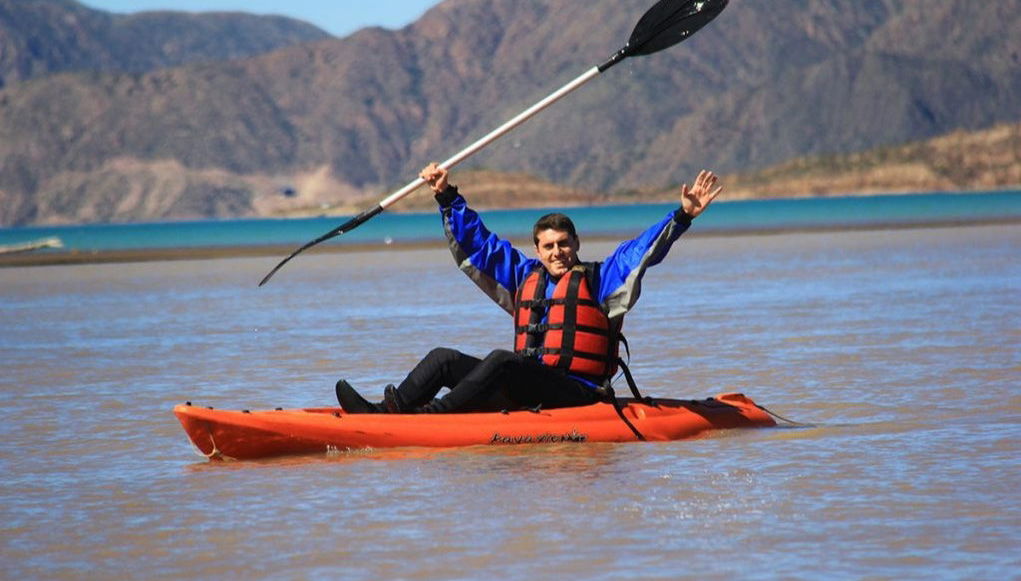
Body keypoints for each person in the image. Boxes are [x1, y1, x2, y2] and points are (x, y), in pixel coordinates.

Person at [335, 163, 722, 414]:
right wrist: (446, 195)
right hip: (528, 387)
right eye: (549, 246)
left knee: (504, 360)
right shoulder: (525, 279)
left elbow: (642, 251)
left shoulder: (600, 279)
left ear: (577, 244)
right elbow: (481, 245)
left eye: (564, 244)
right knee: (443, 358)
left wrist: (682, 216)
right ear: (537, 250)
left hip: (577, 394)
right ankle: (386, 413)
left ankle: (433, 420)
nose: (558, 252)